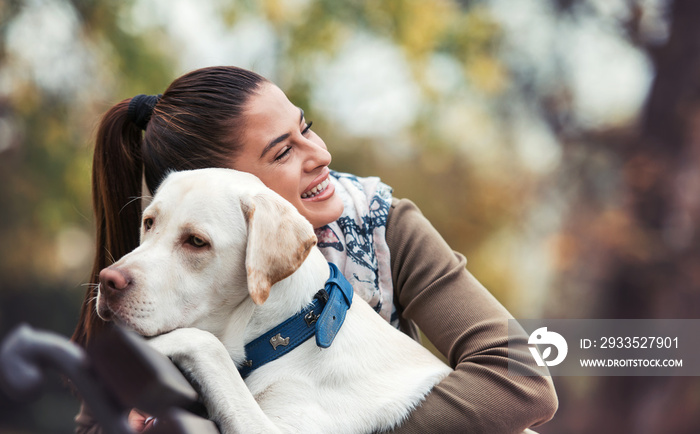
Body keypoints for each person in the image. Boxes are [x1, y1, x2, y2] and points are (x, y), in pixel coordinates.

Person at [72, 66, 558, 433]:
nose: (321, 155)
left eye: (306, 128)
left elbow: (520, 382)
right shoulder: (147, 286)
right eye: (283, 152)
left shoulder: (379, 220)